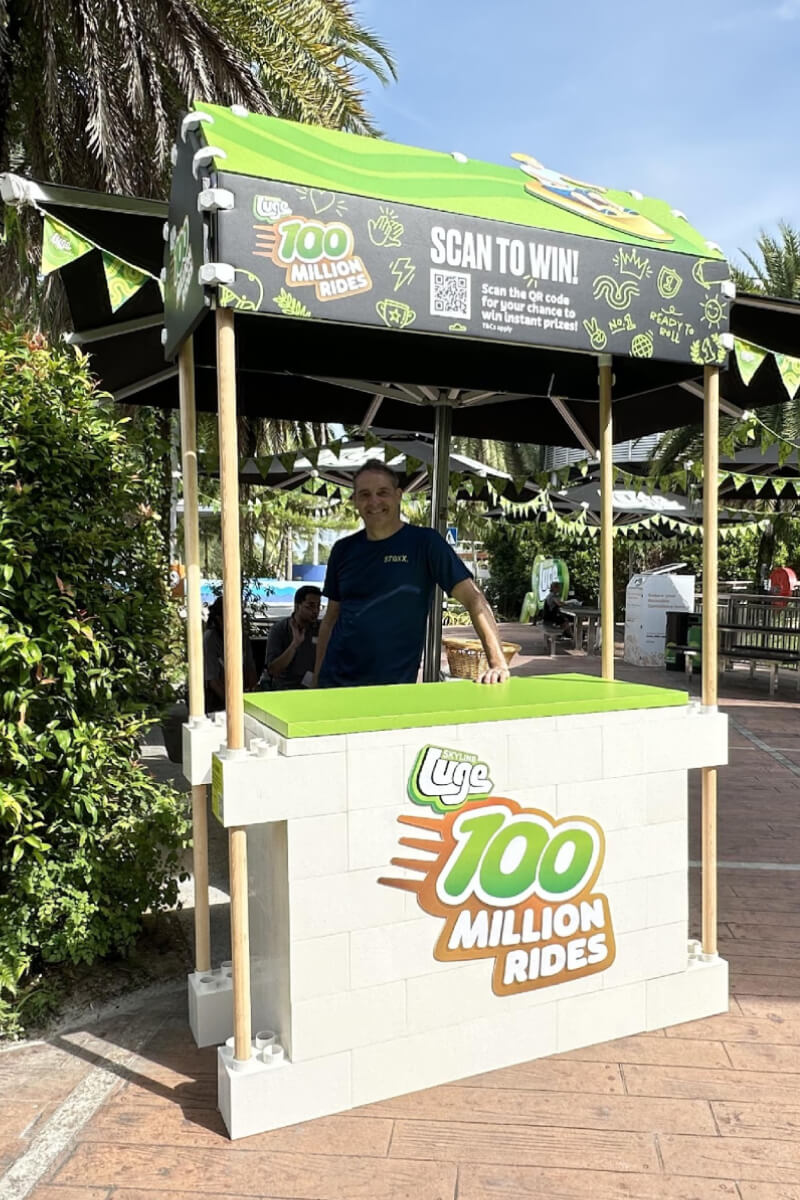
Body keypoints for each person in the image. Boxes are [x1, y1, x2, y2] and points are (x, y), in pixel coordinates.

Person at [313, 463, 509, 688]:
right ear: (355, 501)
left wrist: (497, 663)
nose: (374, 501)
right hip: (335, 682)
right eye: (364, 495)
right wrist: (318, 676)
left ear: (398, 496)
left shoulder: (426, 543)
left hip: (392, 686)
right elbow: (331, 619)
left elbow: (474, 599)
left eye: (382, 493)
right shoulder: (343, 549)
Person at [203, 595, 258, 712]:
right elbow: (212, 680)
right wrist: (234, 705)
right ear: (219, 619)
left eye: (240, 616)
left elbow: (250, 668)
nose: (238, 621)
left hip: (240, 694)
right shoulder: (210, 639)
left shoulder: (242, 637)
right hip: (216, 698)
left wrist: (252, 696)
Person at [260, 586, 321, 690]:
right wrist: (295, 644)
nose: (315, 611)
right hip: (286, 689)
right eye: (310, 606)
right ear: (297, 606)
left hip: (315, 688)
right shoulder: (279, 629)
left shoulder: (321, 629)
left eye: (318, 606)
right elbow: (273, 670)